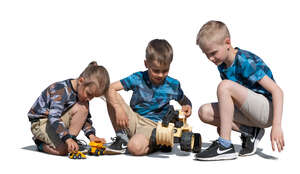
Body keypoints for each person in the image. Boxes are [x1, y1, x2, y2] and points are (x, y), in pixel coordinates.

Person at [194, 20, 284, 161]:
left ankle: (224, 146)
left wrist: (277, 126)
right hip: (249, 111)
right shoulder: (222, 65)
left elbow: (277, 91)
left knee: (224, 86)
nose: (210, 59)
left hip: (267, 110)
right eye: (207, 55)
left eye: (213, 53)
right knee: (204, 112)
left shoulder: (244, 61)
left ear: (227, 43)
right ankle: (250, 132)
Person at [105, 39, 192, 155]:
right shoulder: (138, 78)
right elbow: (109, 88)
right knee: (111, 94)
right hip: (133, 119)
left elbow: (184, 100)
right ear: (146, 64)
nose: (161, 75)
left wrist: (187, 106)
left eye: (165, 70)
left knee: (134, 147)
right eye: (156, 70)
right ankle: (122, 138)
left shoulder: (172, 85)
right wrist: (118, 108)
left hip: (154, 126)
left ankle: (159, 141)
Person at [28, 61, 110, 156]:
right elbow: (54, 117)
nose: (89, 99)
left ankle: (71, 140)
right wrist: (67, 139)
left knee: (83, 107)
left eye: (93, 97)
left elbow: (85, 118)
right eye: (89, 94)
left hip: (57, 121)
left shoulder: (82, 95)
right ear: (81, 81)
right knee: (63, 151)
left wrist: (92, 136)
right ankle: (40, 143)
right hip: (41, 122)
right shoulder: (61, 90)